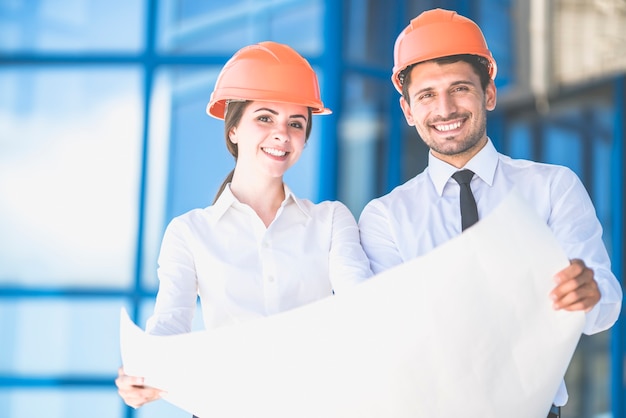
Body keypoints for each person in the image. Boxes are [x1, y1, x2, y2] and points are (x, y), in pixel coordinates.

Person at [357, 8, 622, 418]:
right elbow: (394, 337)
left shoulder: (552, 187)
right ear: (408, 111)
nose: (445, 109)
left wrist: (588, 295)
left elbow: (602, 306)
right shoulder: (385, 218)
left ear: (490, 94)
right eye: (426, 95)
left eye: (460, 88)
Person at [116, 41, 372, 412]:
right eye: (265, 118)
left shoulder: (331, 221)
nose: (282, 134)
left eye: (295, 123)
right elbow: (171, 324)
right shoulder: (190, 232)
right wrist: (144, 373)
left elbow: (363, 307)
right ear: (233, 128)